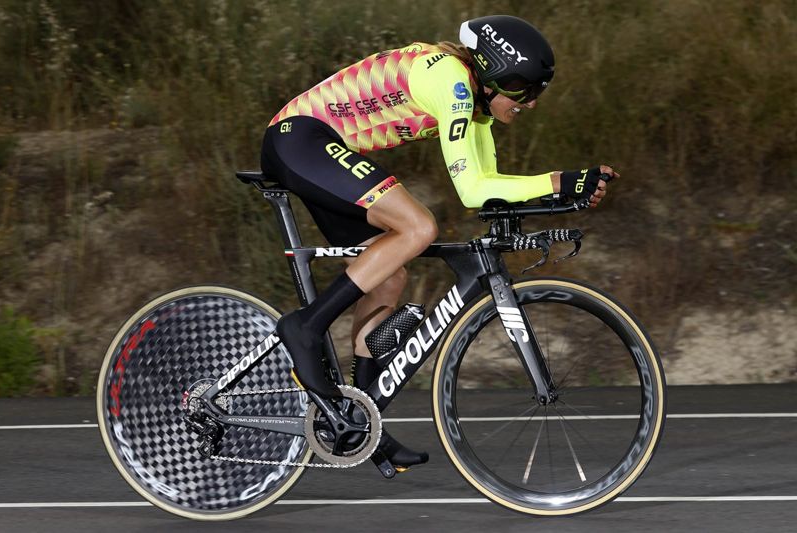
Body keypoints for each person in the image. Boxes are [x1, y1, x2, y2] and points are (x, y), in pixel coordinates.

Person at [262, 15, 619, 471]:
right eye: (524, 90)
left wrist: (564, 192)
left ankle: (360, 420)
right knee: (418, 227)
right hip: (299, 136)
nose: (530, 103)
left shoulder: (477, 110)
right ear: (493, 75)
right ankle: (305, 327)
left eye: (538, 93)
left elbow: (489, 189)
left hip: (315, 145)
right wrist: (558, 179)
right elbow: (470, 190)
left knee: (389, 278)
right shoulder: (452, 81)